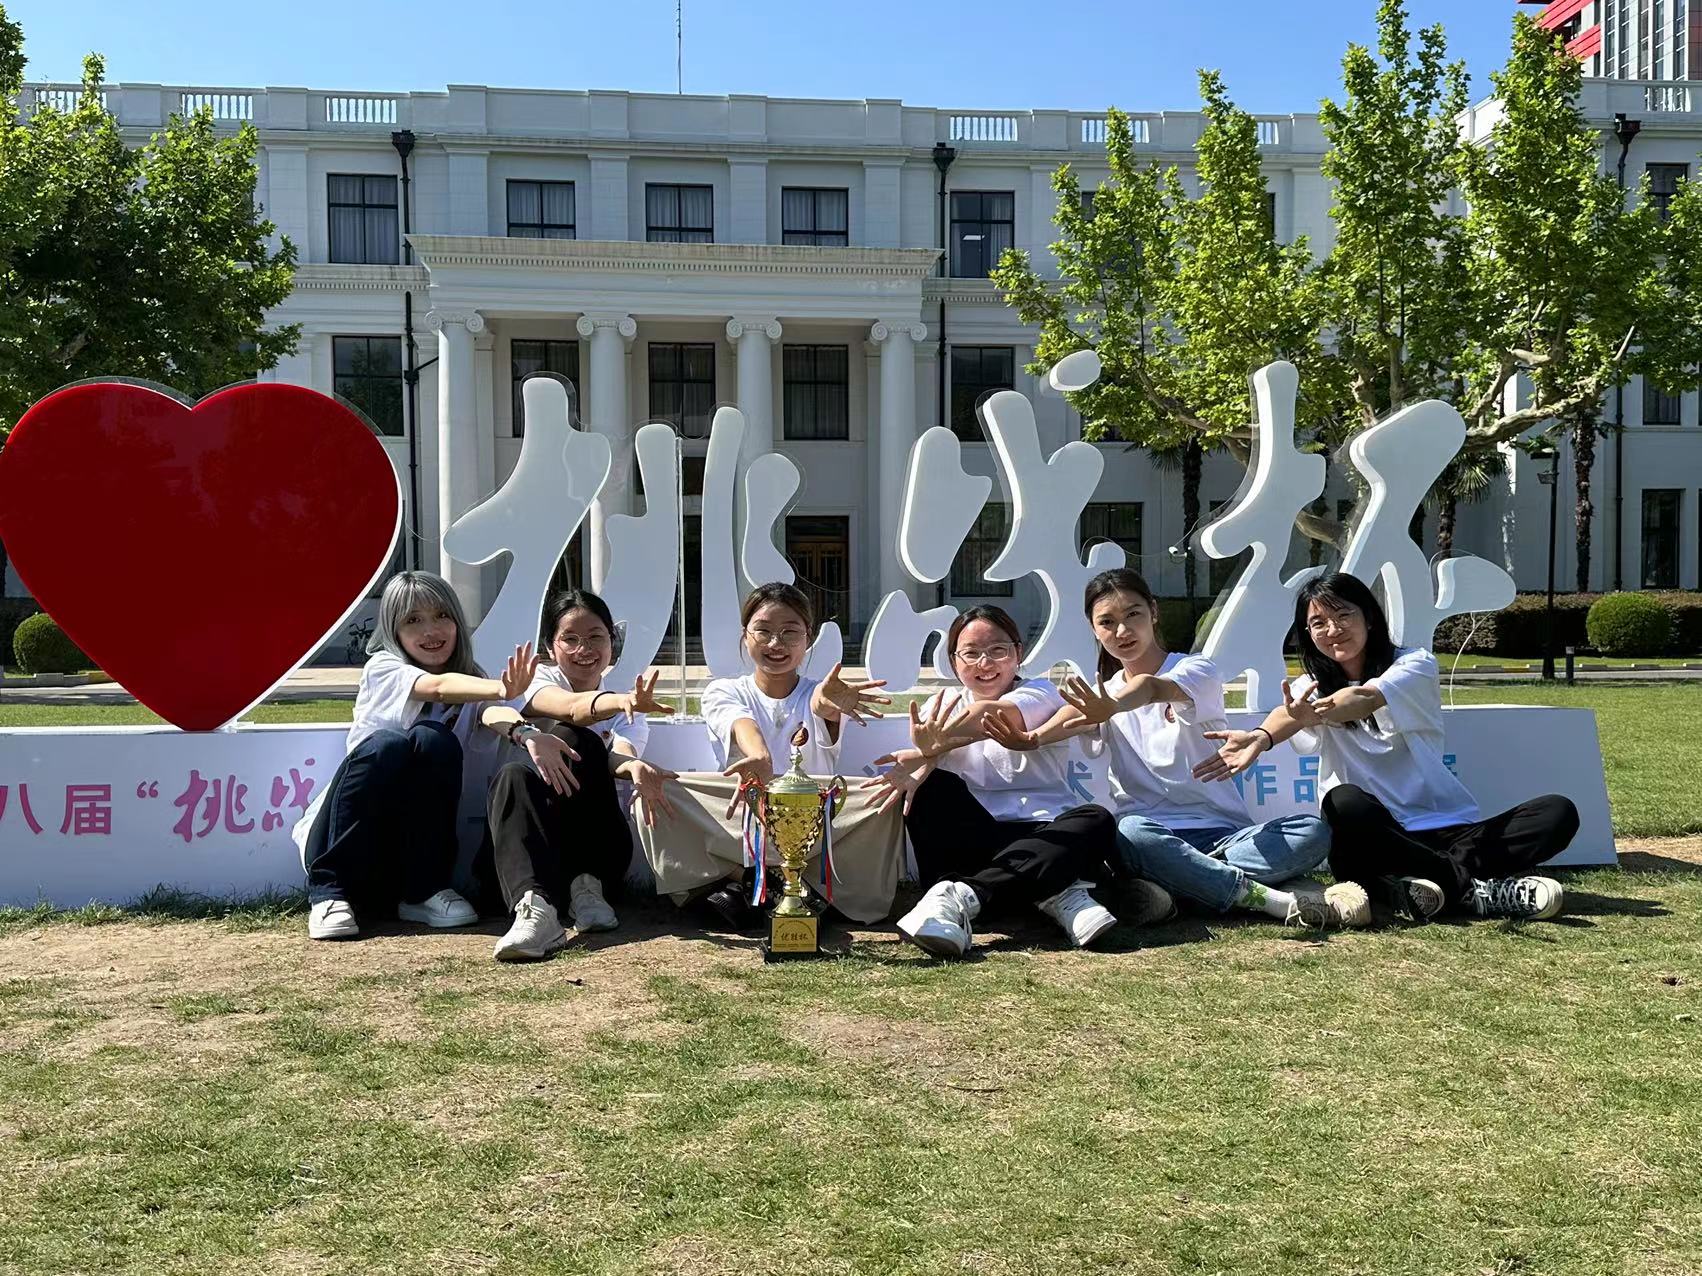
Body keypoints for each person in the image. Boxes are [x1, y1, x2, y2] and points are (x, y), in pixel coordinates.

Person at [982, 569, 1364, 929]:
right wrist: (1033, 738)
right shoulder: (1105, 695)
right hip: (1148, 836)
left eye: (1133, 614)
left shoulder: (1196, 670)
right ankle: (1263, 896)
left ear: (1153, 612)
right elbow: (1071, 715)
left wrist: (1112, 706)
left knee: (1311, 831)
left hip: (1225, 836)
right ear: (1094, 629)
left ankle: (1180, 888)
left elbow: (1150, 687)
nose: (1122, 630)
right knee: (1128, 830)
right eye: (1107, 622)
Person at [1195, 571, 1578, 921]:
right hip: (1368, 837)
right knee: (1343, 802)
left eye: (1343, 615)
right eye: (1318, 623)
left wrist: (1318, 711)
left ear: (1369, 618)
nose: (1333, 629)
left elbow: (1363, 698)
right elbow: (1288, 713)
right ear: (1308, 634)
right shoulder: (1309, 685)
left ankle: (1428, 884)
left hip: (1443, 827)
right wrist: (1261, 737)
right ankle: (1471, 890)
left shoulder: (1413, 665)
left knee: (1557, 812)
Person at [637, 581, 905, 929]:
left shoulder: (820, 694)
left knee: (882, 798)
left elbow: (820, 704)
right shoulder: (724, 690)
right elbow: (741, 723)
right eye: (763, 631)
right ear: (745, 636)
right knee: (654, 792)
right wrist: (760, 757)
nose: (776, 644)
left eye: (790, 633)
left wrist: (826, 705)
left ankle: (757, 886)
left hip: (815, 819)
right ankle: (769, 882)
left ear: (808, 638)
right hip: (744, 810)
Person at [862, 605, 1122, 958]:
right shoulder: (940, 705)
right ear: (953, 661)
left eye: (998, 650)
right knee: (932, 787)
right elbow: (928, 762)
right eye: (970, 653)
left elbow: (991, 716)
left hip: (1041, 832)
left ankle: (962, 897)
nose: (985, 663)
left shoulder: (1040, 692)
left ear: (1018, 653)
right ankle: (1056, 891)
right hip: (976, 842)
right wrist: (923, 762)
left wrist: (932, 747)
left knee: (1096, 819)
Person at [294, 571, 539, 941]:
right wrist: (501, 688)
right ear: (394, 631)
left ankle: (423, 893)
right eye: (413, 620)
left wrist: (527, 733)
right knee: (388, 744)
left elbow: (493, 712)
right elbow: (438, 688)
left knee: (434, 739)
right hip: (344, 845)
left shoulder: (473, 679)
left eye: (442, 615)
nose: (431, 631)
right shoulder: (383, 668)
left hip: (407, 862)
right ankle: (329, 892)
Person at [478, 588, 678, 961]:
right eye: (570, 639)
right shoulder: (535, 681)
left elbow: (621, 753)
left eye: (595, 637)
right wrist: (530, 735)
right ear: (550, 646)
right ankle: (534, 907)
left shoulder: (627, 707)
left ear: (612, 643)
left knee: (583, 742)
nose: (584, 648)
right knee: (517, 771)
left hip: (597, 851)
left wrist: (633, 766)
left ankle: (587, 887)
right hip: (531, 851)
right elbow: (570, 708)